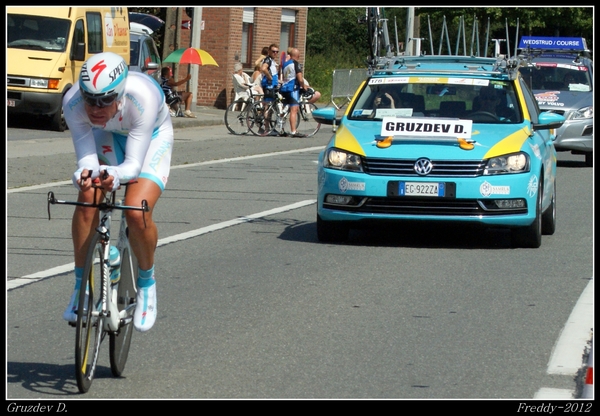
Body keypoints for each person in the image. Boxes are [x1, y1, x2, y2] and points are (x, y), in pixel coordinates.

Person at [62, 52, 173, 332]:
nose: (96, 108)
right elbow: (86, 160)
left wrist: (115, 174)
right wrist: (84, 175)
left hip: (150, 138)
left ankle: (147, 283)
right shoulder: (72, 103)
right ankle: (80, 288)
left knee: (137, 210)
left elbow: (133, 166)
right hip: (108, 135)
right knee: (88, 195)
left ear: (121, 94)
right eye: (90, 99)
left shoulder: (142, 98)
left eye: (105, 100)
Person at [280, 47, 308, 137]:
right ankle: (293, 131)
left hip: (284, 88)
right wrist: (303, 86)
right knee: (294, 109)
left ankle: (281, 129)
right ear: (298, 56)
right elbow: (299, 78)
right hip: (292, 89)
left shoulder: (285, 64)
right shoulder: (296, 64)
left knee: (285, 109)